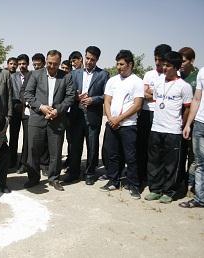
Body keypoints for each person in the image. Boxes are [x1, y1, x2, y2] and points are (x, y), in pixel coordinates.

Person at [24, 50, 75, 191]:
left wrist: (57, 111)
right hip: (37, 118)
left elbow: (70, 97)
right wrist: (41, 107)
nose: (52, 66)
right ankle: (33, 178)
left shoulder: (67, 77)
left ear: (60, 63)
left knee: (56, 151)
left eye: (55, 64)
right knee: (33, 150)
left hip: (57, 119)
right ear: (46, 61)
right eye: (49, 63)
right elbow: (27, 94)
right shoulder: (35, 74)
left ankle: (54, 178)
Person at [145, 51, 193, 204]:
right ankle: (155, 189)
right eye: (163, 65)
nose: (164, 68)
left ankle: (169, 191)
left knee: (171, 163)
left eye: (168, 65)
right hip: (156, 128)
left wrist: (183, 124)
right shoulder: (159, 84)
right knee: (154, 161)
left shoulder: (183, 87)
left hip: (173, 130)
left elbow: (187, 109)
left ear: (177, 67)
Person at [100, 50, 143, 199]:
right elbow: (107, 100)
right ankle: (113, 181)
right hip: (112, 124)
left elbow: (137, 105)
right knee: (112, 154)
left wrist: (120, 119)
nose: (118, 67)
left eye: (122, 64)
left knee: (130, 156)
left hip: (129, 125)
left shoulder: (137, 81)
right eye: (117, 63)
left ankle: (133, 185)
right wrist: (111, 118)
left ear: (130, 64)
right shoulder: (112, 80)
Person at [64, 46, 109, 185]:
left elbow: (106, 96)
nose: (89, 62)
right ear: (84, 57)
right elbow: (68, 92)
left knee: (92, 145)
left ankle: (90, 173)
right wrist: (76, 97)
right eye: (87, 58)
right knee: (75, 145)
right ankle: (74, 172)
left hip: (93, 115)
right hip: (76, 115)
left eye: (92, 60)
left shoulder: (103, 75)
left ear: (97, 60)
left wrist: (93, 99)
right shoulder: (74, 74)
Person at [137, 44, 171, 186]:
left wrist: (153, 93)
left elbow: (166, 95)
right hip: (145, 113)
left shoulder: (172, 75)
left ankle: (157, 177)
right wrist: (154, 93)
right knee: (142, 145)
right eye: (155, 59)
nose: (157, 62)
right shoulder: (149, 74)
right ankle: (141, 175)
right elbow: (143, 93)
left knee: (157, 148)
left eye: (160, 59)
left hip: (161, 114)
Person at [179, 67, 204, 208]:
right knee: (200, 163)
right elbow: (197, 98)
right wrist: (188, 123)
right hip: (200, 123)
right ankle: (200, 199)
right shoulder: (202, 72)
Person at [179, 47, 199, 192]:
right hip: (177, 122)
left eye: (184, 61)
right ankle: (179, 183)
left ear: (191, 60)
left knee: (193, 156)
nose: (181, 63)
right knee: (179, 154)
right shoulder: (177, 76)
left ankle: (191, 185)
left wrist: (189, 123)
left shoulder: (198, 77)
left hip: (193, 122)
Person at [9, 54, 31, 172]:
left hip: (28, 108)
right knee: (13, 136)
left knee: (27, 137)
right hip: (15, 107)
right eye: (20, 64)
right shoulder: (12, 77)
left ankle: (24, 163)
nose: (21, 66)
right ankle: (12, 161)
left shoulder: (32, 76)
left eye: (24, 64)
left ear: (28, 64)